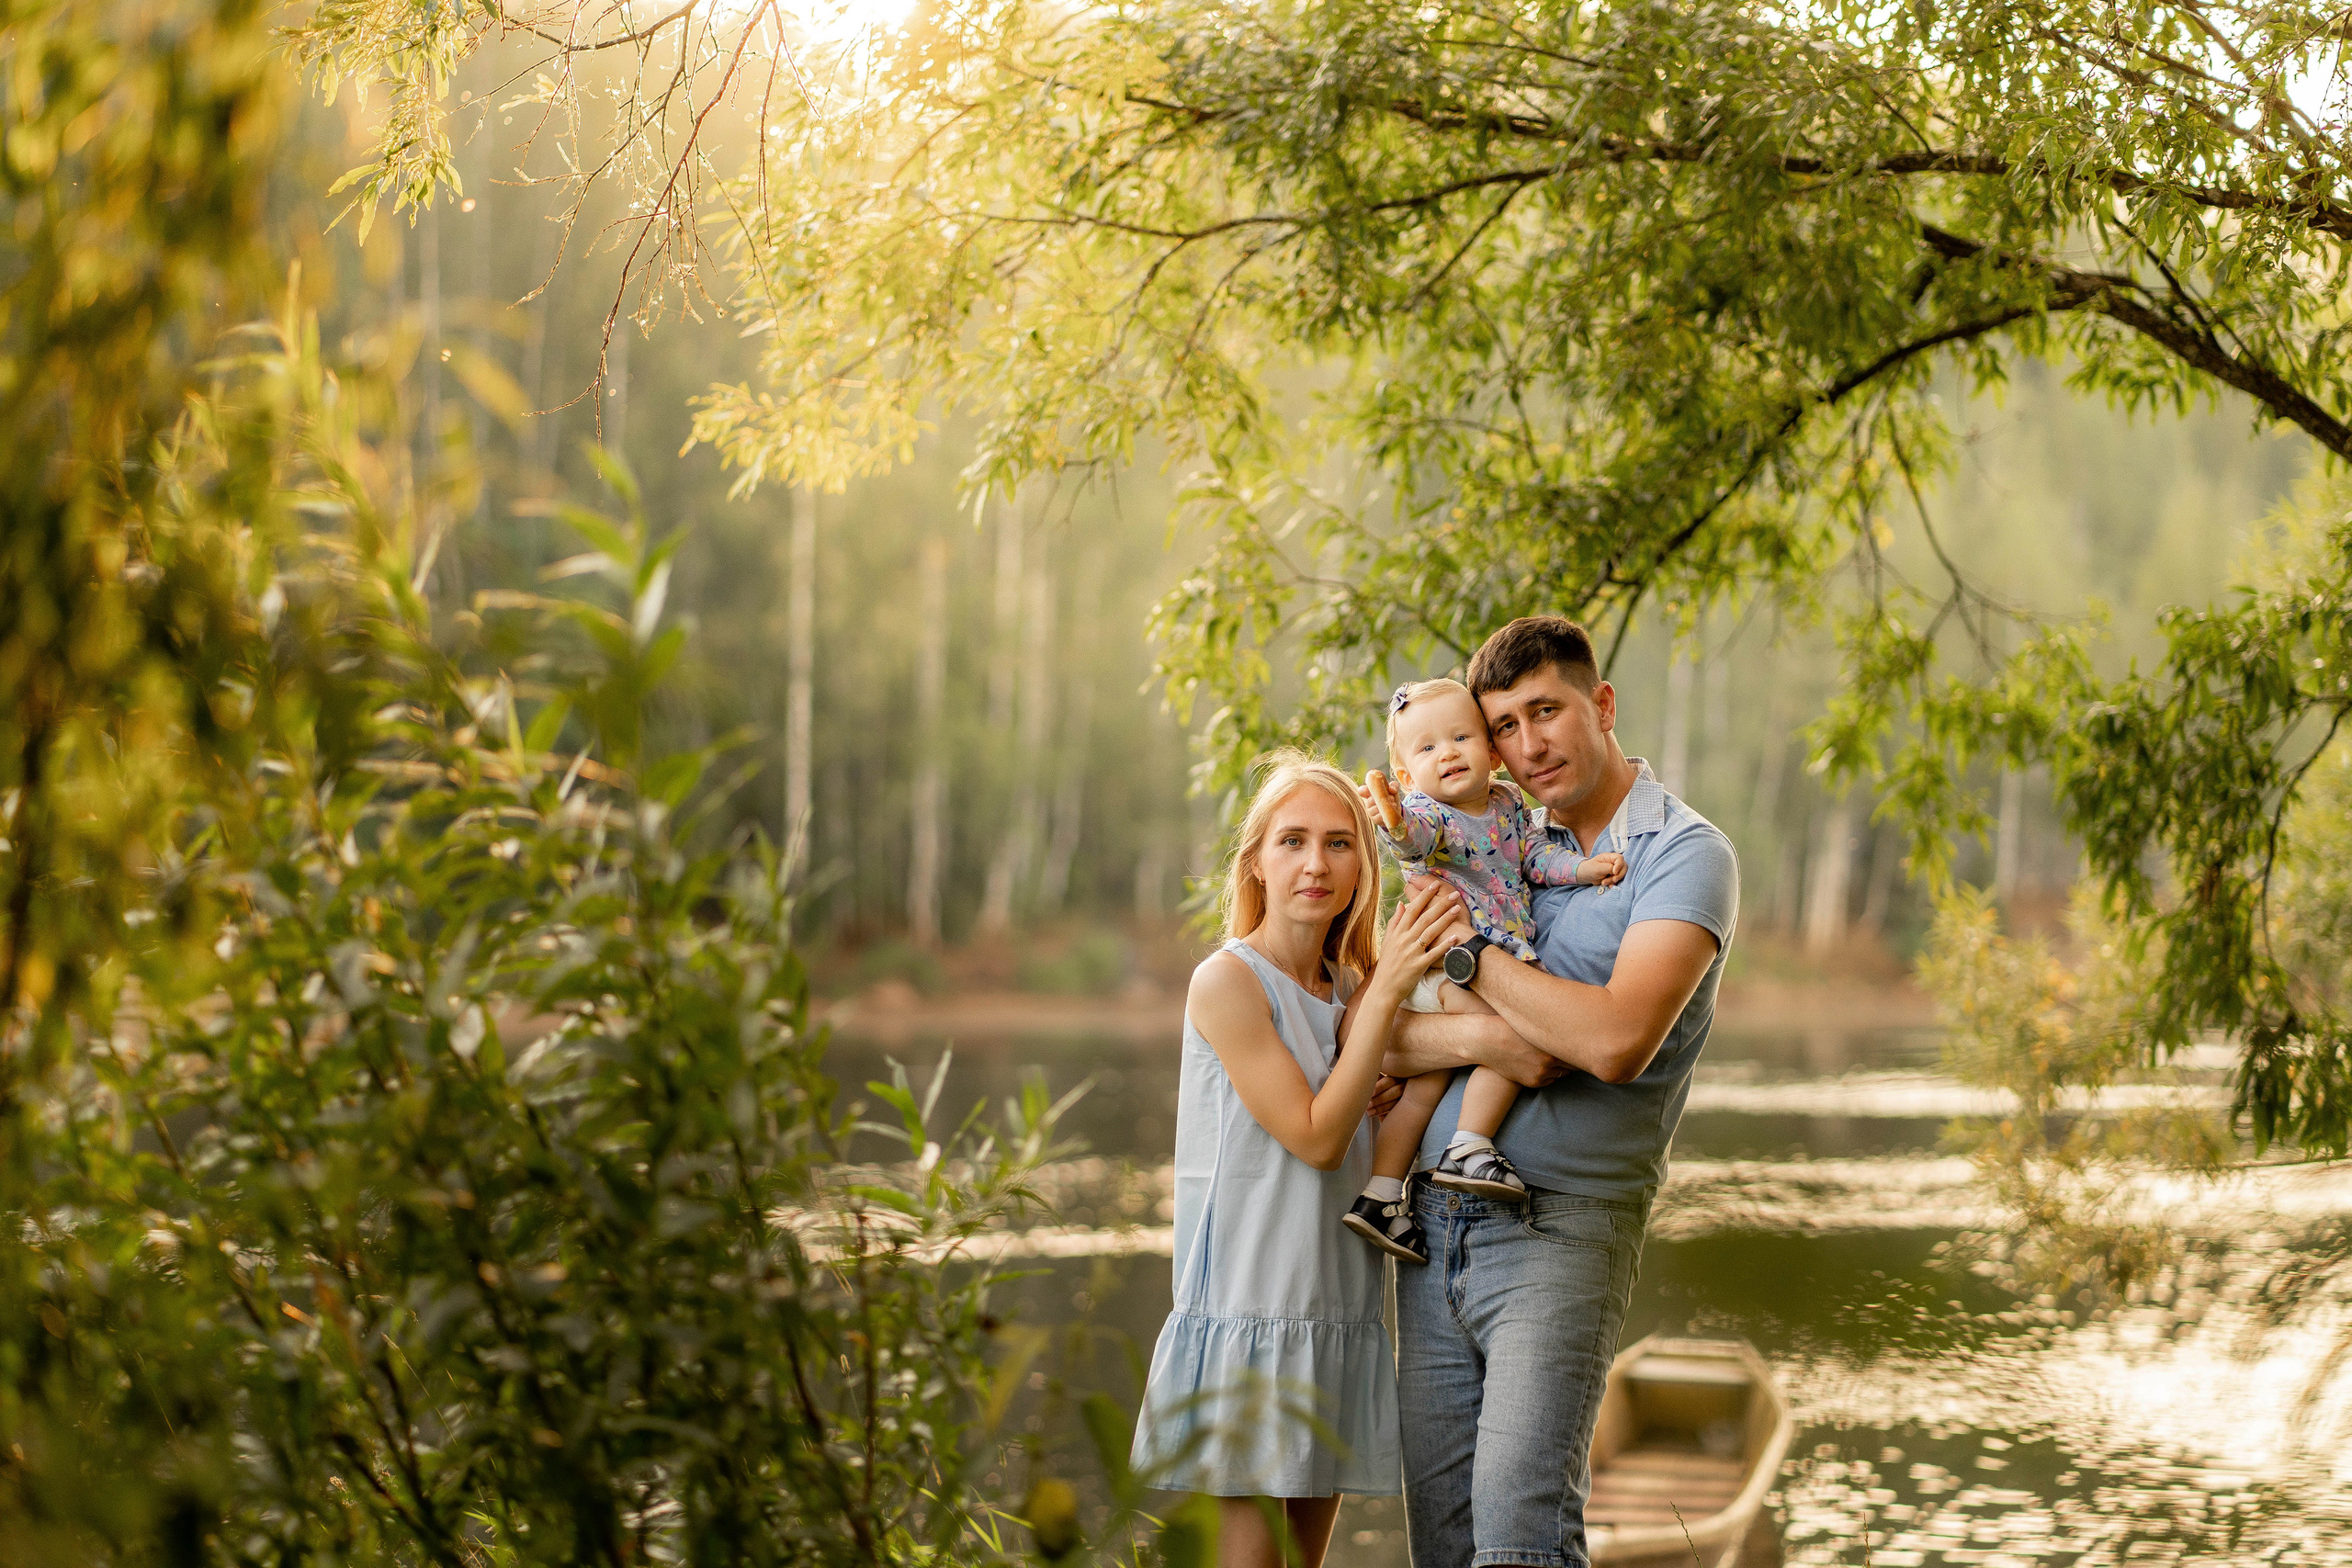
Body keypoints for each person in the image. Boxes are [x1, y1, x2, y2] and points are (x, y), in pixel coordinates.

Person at [1381, 616, 1739, 1568]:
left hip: (1562, 1231)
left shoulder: (1682, 854)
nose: (1525, 745)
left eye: (1546, 711)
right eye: (1501, 725)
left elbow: (1615, 1042)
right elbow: (1387, 1042)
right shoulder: (1487, 833)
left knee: (1519, 1541)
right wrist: (1496, 1033)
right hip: (1427, 1227)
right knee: (1445, 1548)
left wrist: (1466, 951)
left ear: (1602, 704)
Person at [1129, 750, 1459, 1568]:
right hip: (1252, 1307)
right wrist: (1384, 1006)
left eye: (1341, 842)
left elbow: (1374, 1125)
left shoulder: (1352, 990)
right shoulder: (1228, 981)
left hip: (1336, 1310)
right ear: (1258, 862)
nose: (1317, 862)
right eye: (1294, 841)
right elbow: (1313, 1137)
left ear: (1362, 866)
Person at [1341, 677, 1625, 1266]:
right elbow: (1414, 842)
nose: (1446, 753)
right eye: (1425, 749)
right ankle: (1470, 1146)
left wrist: (1584, 868)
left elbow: (1536, 860)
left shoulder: (1508, 806)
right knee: (1518, 1034)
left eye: (1460, 737)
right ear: (1404, 774)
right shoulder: (1427, 812)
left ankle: (1380, 1195)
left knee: (1423, 1090)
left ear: (1492, 752)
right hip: (1450, 965)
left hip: (1463, 966)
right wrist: (1393, 821)